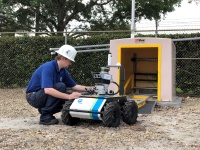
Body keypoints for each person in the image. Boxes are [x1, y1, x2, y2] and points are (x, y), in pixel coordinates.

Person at [26, 44, 93, 125]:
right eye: (70, 61)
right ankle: (45, 117)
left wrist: (91, 88)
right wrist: (69, 96)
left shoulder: (63, 71)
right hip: (33, 97)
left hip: (42, 95)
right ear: (63, 58)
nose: (71, 63)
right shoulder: (49, 67)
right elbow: (48, 90)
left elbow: (74, 86)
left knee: (72, 95)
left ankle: (46, 109)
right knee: (61, 87)